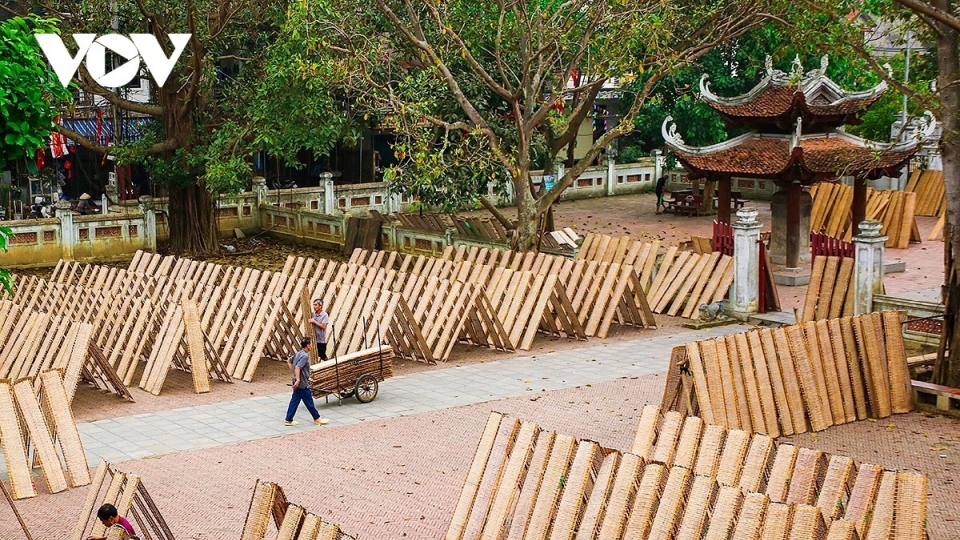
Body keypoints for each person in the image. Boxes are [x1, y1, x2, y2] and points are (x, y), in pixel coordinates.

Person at [285, 337, 329, 427]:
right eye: (311, 344)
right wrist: (298, 379)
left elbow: (289, 361)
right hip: (302, 383)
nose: (312, 345)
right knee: (309, 401)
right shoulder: (304, 356)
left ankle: (288, 419)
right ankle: (317, 419)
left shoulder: (298, 353)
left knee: (295, 400)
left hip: (296, 383)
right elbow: (298, 367)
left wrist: (293, 374)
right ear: (308, 345)